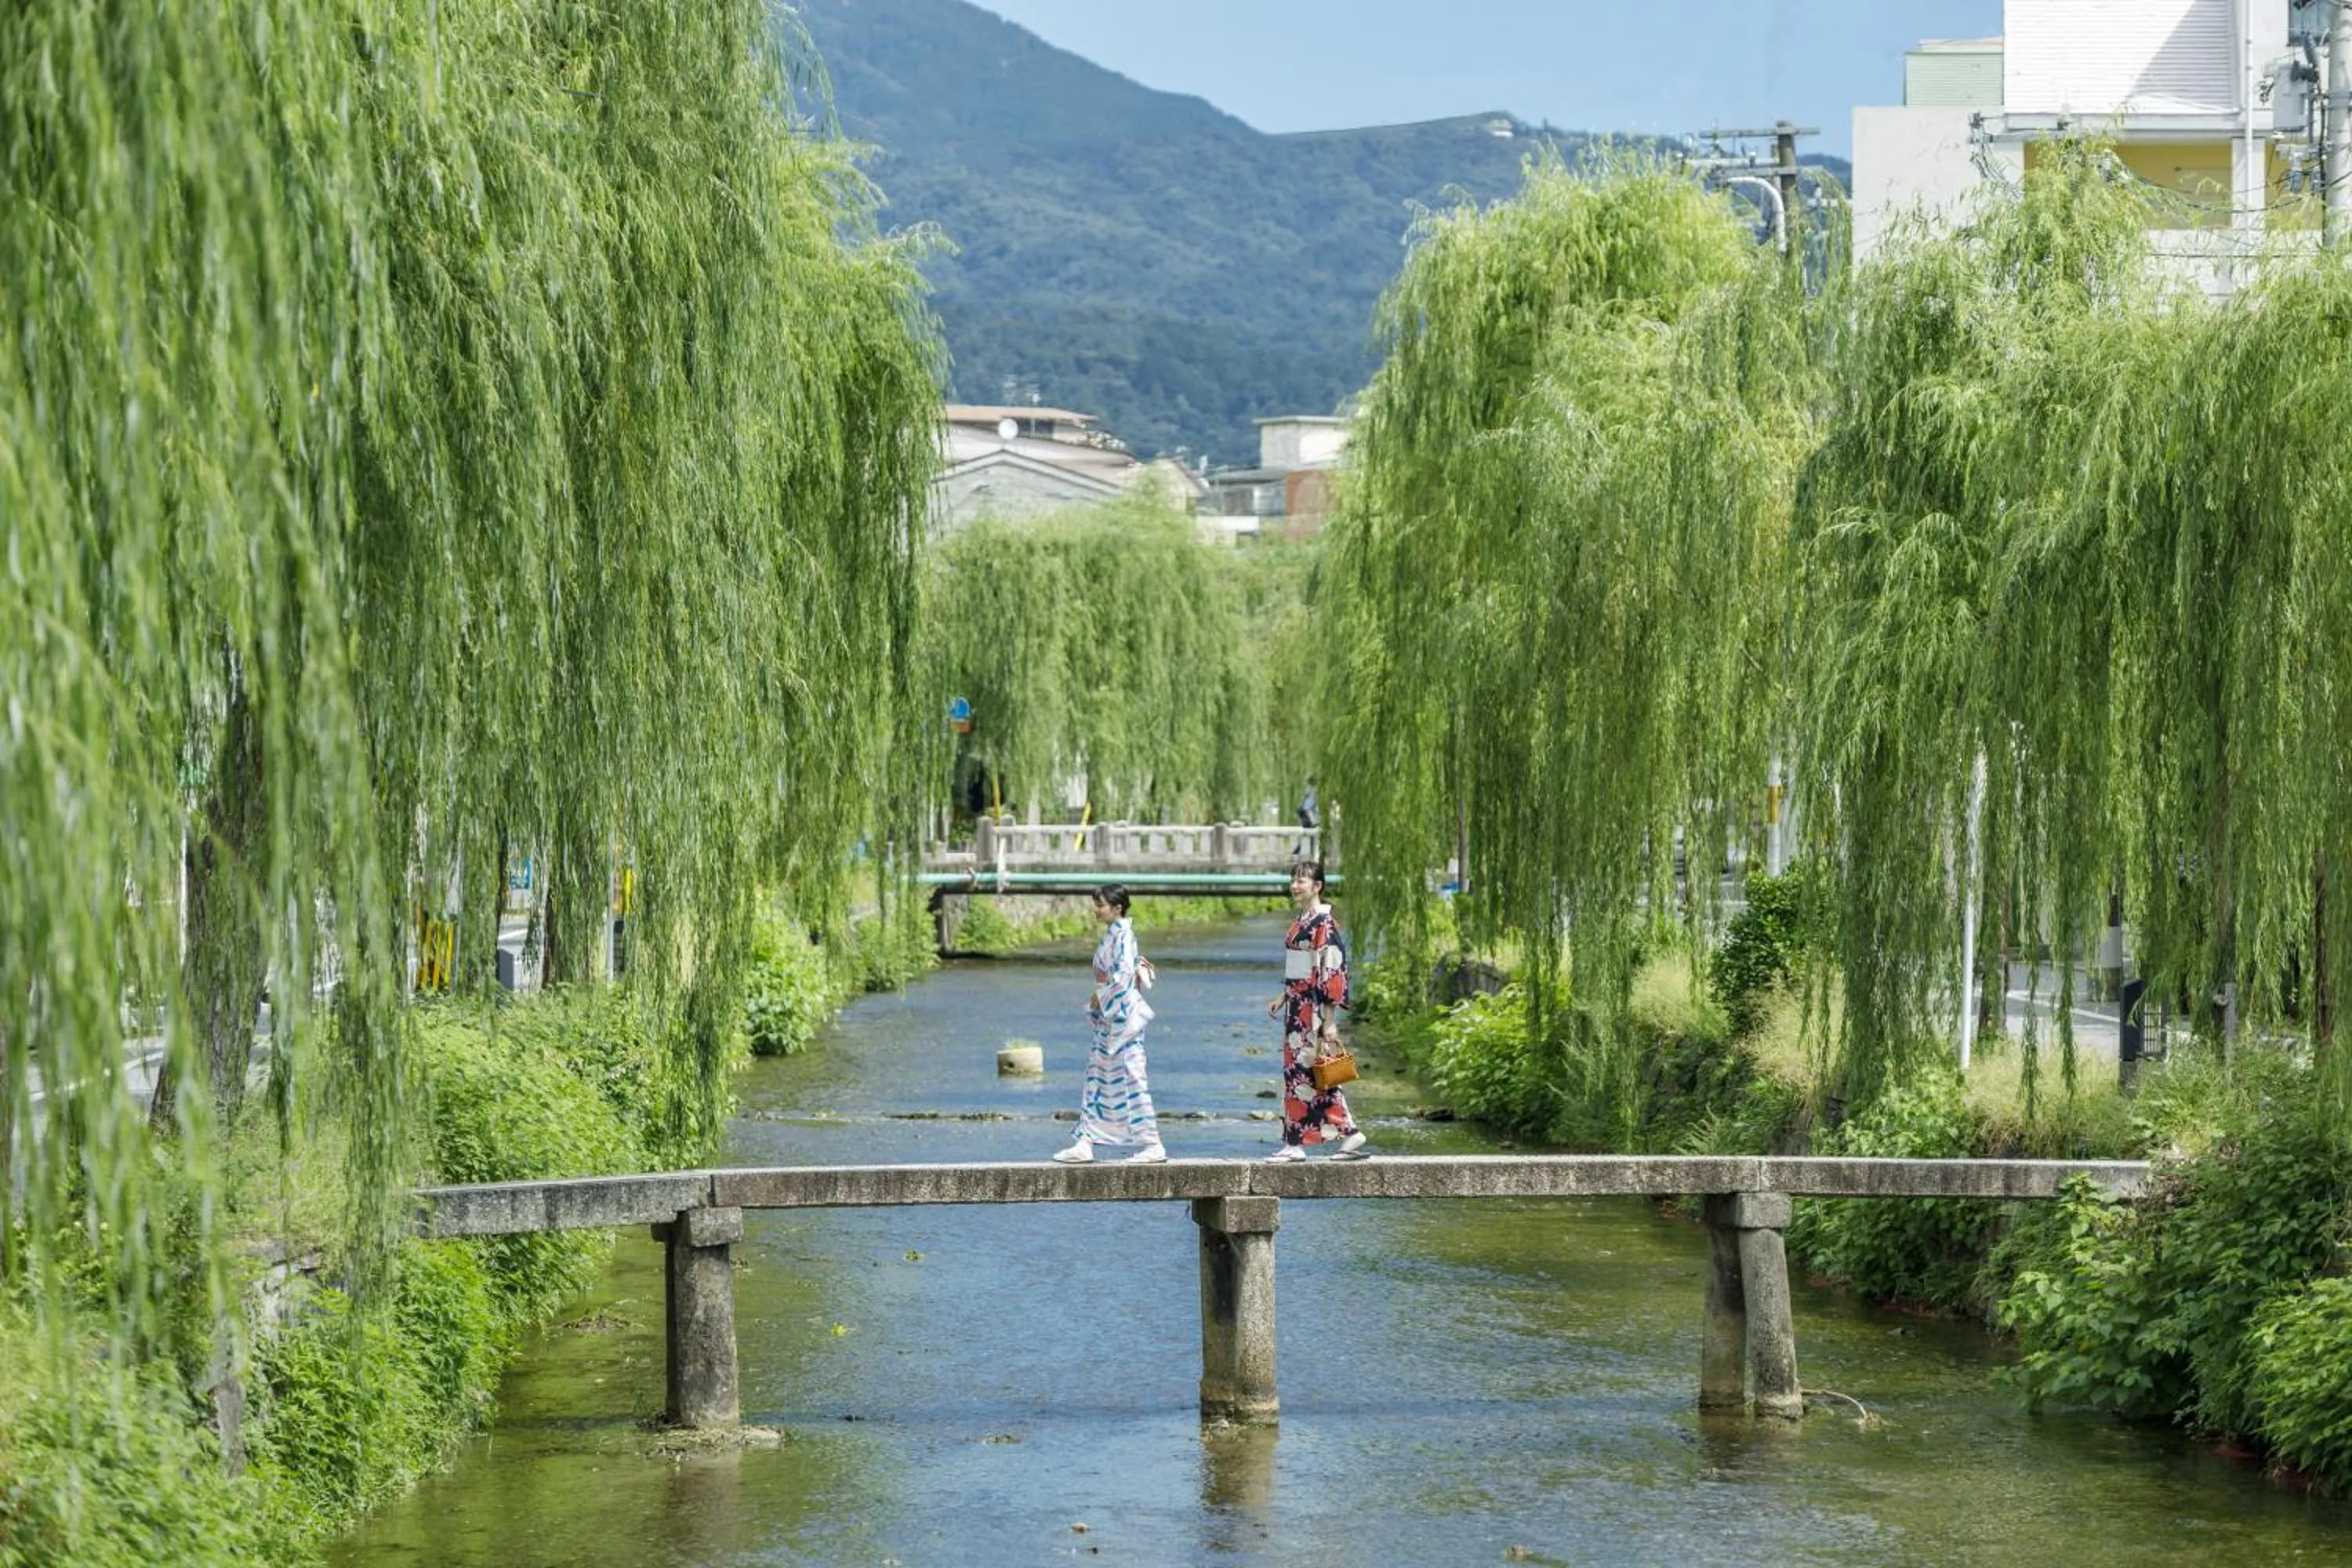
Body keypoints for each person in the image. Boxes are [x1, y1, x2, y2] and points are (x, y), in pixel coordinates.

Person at [1054, 883, 1167, 1163]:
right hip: (1110, 1018)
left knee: (1131, 1077)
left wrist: (1099, 996)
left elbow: (1123, 976)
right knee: (1098, 1078)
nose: (1096, 910)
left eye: (1101, 905)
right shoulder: (1115, 935)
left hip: (1124, 1019)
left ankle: (1152, 1143)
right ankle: (1085, 1141)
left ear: (1117, 908)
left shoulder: (1124, 937)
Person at [1266, 858, 1367, 1162]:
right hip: (1297, 1006)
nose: (1295, 886)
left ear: (1318, 886)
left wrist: (1331, 1020)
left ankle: (1297, 1143)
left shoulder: (1324, 923)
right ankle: (1347, 1133)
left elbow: (1332, 970)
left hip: (1312, 1009)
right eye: (1293, 880)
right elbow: (1301, 967)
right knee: (1307, 1073)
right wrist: (1284, 997)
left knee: (1303, 1072)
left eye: (1302, 881)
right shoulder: (1303, 919)